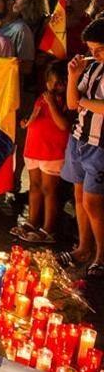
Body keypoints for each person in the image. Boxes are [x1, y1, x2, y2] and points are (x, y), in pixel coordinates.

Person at [63, 20, 104, 276]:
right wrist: (73, 76)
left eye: (99, 49)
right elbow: (71, 103)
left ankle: (101, 255)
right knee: (79, 197)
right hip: (79, 138)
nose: (95, 55)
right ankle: (83, 247)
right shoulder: (91, 69)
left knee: (93, 202)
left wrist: (85, 102)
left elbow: (87, 103)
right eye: (92, 50)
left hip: (100, 144)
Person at [13, 63, 69, 244]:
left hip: (52, 152)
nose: (55, 88)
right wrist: (26, 122)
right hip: (34, 149)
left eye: (60, 84)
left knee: (49, 190)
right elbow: (35, 117)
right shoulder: (41, 98)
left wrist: (52, 103)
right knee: (35, 187)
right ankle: (31, 221)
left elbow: (63, 125)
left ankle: (48, 228)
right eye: (52, 83)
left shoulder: (67, 102)